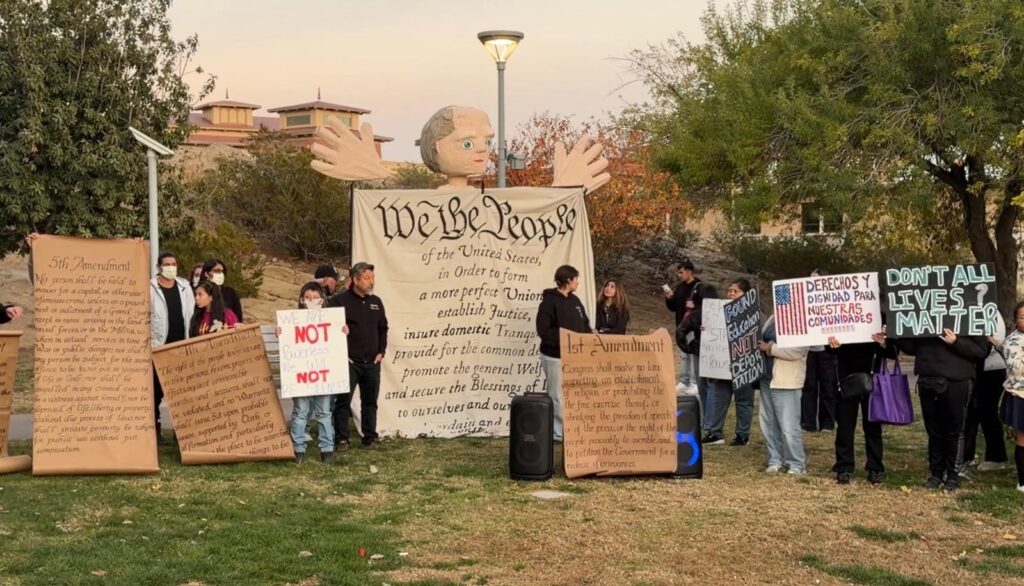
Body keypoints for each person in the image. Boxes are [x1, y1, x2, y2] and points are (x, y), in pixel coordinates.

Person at [894, 329, 989, 491]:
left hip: (957, 380)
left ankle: (953, 475)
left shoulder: (967, 315)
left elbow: (980, 351)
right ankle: (936, 473)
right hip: (927, 378)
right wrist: (895, 332)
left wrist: (956, 341)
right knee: (934, 431)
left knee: (954, 430)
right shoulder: (924, 315)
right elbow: (912, 348)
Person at [326, 262, 389, 448]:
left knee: (370, 401)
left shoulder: (376, 302)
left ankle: (370, 436)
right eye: (367, 278)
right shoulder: (339, 301)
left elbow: (383, 328)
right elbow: (329, 328)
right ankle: (342, 439)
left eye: (373, 278)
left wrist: (381, 351)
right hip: (349, 362)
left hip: (372, 362)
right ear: (355, 279)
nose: (372, 282)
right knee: (343, 402)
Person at [826, 327, 894, 485]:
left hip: (872, 381)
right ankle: (844, 468)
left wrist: (883, 342)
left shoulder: (880, 321)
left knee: (873, 427)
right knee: (844, 426)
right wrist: (832, 344)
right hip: (845, 380)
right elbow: (829, 349)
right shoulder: (839, 317)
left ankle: (875, 468)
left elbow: (892, 351)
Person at [536, 264, 593, 442]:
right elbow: (544, 330)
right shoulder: (549, 301)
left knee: (572, 393)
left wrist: (590, 337)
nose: (578, 283)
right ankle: (559, 433)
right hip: (555, 357)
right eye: (576, 279)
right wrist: (565, 343)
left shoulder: (575, 301)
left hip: (575, 356)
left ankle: (573, 427)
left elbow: (584, 323)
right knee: (557, 394)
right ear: (568, 280)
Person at [287, 282, 339, 464]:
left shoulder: (331, 322)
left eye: (315, 298)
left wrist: (342, 331)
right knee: (301, 411)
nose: (311, 301)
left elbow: (336, 344)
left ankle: (327, 449)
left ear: (322, 300)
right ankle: (298, 449)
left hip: (323, 375)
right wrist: (282, 333)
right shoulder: (292, 322)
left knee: (324, 412)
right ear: (301, 300)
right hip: (301, 376)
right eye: (307, 298)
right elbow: (289, 344)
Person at [704, 279, 757, 447]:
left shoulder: (755, 314)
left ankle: (742, 435)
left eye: (736, 291)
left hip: (743, 365)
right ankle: (714, 433)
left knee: (743, 400)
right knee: (718, 397)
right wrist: (706, 330)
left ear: (746, 294)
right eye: (729, 291)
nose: (731, 294)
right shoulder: (717, 312)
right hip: (721, 365)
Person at [150, 251, 195, 443]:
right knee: (156, 392)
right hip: (159, 347)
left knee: (181, 394)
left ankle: (181, 433)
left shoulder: (184, 286)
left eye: (173, 264)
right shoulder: (150, 288)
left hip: (181, 347)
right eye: (167, 264)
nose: (171, 267)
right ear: (159, 267)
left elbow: (191, 314)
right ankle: (155, 430)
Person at [759, 313, 810, 475]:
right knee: (769, 423)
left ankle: (796, 463)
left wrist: (770, 348)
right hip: (767, 378)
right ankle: (774, 459)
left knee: (788, 425)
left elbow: (798, 351)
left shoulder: (802, 318)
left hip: (786, 380)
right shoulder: (772, 317)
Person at [677, 284, 728, 444]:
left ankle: (708, 422)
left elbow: (680, 331)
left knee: (704, 389)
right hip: (721, 356)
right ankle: (711, 424)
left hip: (702, 353)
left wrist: (689, 347)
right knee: (715, 390)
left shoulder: (696, 313)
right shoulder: (724, 312)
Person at [963, 312, 1009, 471]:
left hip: (992, 369)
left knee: (986, 412)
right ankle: (966, 455)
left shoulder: (990, 312)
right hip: (973, 368)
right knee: (969, 413)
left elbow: (993, 342)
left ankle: (997, 457)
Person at [801, 269, 838, 432]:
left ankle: (827, 423)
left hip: (826, 350)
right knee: (809, 387)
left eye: (816, 279)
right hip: (809, 349)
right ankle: (808, 423)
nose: (812, 282)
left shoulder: (832, 301)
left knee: (827, 387)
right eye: (810, 279)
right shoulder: (804, 300)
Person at [664, 259, 702, 394]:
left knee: (692, 353)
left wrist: (696, 306)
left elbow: (706, 305)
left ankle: (694, 381)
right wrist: (669, 298)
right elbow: (674, 307)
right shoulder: (680, 287)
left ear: (689, 271)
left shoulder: (698, 286)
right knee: (684, 354)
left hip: (693, 326)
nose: (679, 275)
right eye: (678, 272)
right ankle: (684, 380)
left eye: (681, 272)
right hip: (681, 325)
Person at [999, 301, 1024, 493]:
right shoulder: (1012, 341)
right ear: (1016, 320)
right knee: (1022, 439)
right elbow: (1016, 368)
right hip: (1020, 395)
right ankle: (1022, 481)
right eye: (1022, 317)